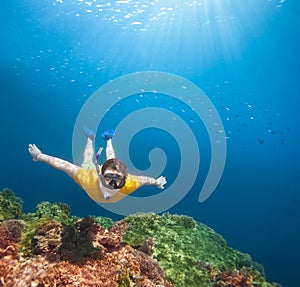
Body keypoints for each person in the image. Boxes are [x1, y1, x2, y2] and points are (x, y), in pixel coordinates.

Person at [28, 128, 167, 203]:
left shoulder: (130, 183)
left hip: (102, 176)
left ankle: (108, 139)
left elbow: (144, 179)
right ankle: (90, 139)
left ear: (125, 179)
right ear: (100, 175)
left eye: (118, 179)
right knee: (87, 161)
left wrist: (156, 182)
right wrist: (39, 156)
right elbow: (63, 164)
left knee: (112, 159)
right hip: (91, 175)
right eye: (110, 178)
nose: (113, 184)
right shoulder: (88, 178)